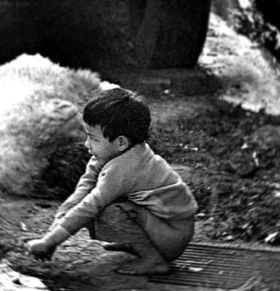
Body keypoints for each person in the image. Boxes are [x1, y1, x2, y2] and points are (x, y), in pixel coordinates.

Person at [26, 87, 197, 275]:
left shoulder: (124, 168)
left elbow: (89, 206)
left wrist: (51, 242)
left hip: (173, 235)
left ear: (121, 142)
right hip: (161, 225)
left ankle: (153, 260)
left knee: (107, 213)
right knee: (91, 204)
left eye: (92, 138)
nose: (86, 144)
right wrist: (50, 238)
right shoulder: (112, 153)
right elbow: (82, 192)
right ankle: (135, 243)